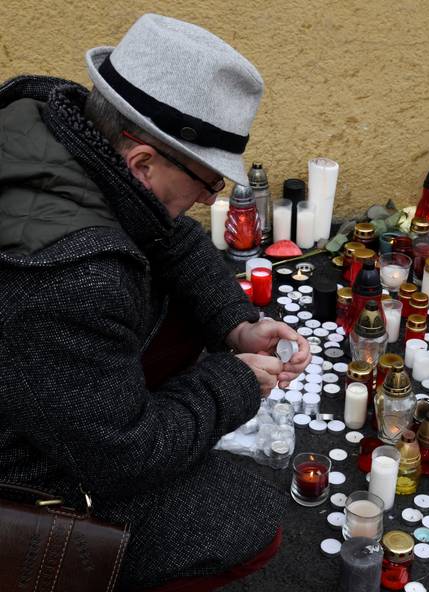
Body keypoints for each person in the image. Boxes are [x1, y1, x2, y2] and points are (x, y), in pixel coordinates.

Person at [0, 14, 311, 590]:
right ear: (143, 162)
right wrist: (237, 382)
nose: (207, 198)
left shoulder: (53, 129)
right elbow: (124, 457)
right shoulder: (74, 276)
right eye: (208, 181)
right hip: (21, 472)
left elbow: (170, 237)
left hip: (44, 381)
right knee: (246, 518)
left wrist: (236, 324)